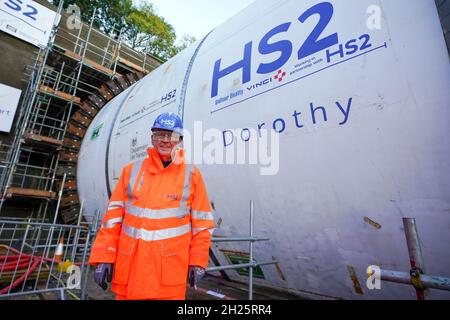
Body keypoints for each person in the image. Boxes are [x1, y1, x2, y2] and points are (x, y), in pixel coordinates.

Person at [88, 112, 215, 300]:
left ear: (179, 139)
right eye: (159, 134)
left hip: (168, 280)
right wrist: (104, 257)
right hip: (130, 274)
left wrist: (197, 262)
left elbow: (202, 226)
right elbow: (112, 220)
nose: (165, 140)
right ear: (152, 138)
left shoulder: (192, 176)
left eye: (171, 135)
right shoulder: (130, 172)